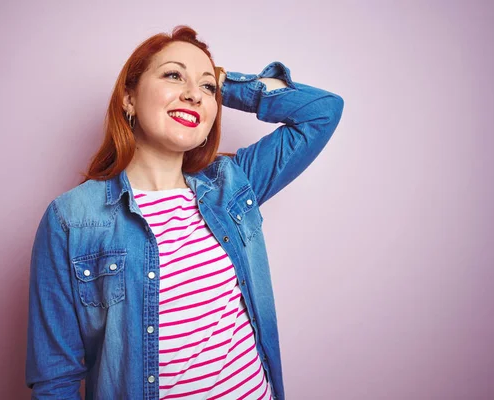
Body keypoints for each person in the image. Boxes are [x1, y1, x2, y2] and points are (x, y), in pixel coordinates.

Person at [26, 25, 344, 400]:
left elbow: (323, 112)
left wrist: (227, 84)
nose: (194, 94)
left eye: (207, 88)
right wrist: (204, 81)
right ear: (129, 98)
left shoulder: (231, 185)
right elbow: (55, 380)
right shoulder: (72, 219)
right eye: (174, 75)